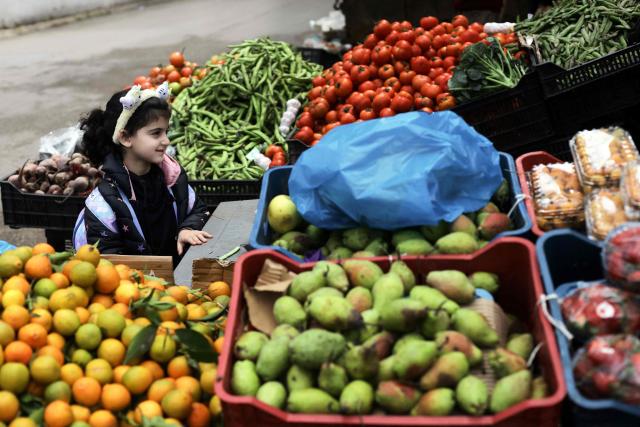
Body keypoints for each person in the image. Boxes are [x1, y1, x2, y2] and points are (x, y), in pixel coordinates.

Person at [72, 82, 211, 264]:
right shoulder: (104, 204)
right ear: (125, 137)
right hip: (137, 289)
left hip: (178, 284)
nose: (166, 140)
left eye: (166, 132)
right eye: (156, 133)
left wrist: (186, 229)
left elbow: (198, 210)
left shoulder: (173, 179)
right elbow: (108, 263)